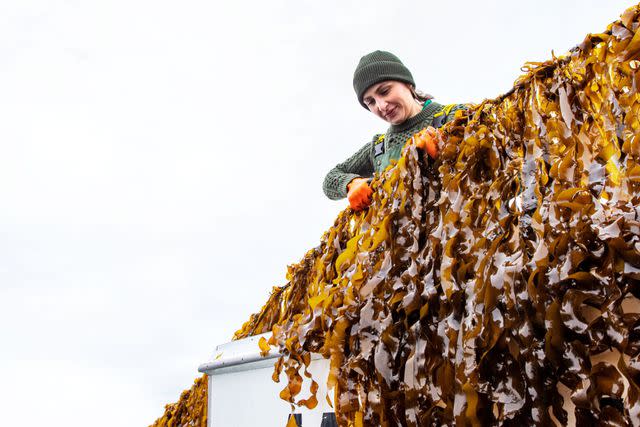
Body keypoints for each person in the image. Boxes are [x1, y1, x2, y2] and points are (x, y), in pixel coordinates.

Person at [322, 50, 466, 211]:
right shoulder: (378, 147)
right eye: (370, 102)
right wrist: (351, 184)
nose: (381, 106)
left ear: (408, 83)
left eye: (384, 91)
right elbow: (330, 179)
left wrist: (446, 141)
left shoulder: (453, 114)